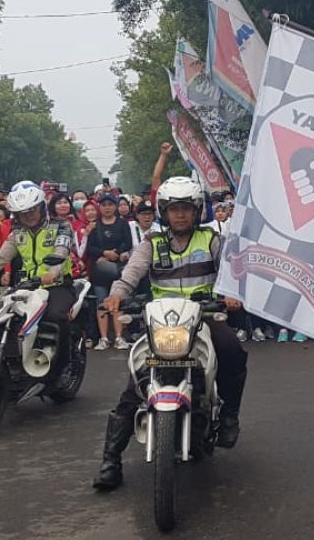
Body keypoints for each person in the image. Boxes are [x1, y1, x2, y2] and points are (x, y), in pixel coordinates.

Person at [93, 176, 249, 491]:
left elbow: (232, 271)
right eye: (174, 209)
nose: (180, 215)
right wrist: (116, 295)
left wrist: (232, 293)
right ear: (164, 211)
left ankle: (229, 415)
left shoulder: (211, 240)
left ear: (197, 211)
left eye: (186, 209)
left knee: (232, 350)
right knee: (132, 387)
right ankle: (111, 460)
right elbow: (131, 274)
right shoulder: (151, 242)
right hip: (160, 322)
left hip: (203, 318)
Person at [0, 182, 77, 363]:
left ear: (41, 207)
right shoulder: (17, 232)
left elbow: (61, 251)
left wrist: (52, 273)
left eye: (31, 210)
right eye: (22, 213)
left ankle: (63, 364)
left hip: (57, 285)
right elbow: (0, 257)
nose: (28, 216)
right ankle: (9, 361)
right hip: (26, 287)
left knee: (56, 318)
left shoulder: (62, 226)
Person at [87, 194, 133, 350]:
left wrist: (116, 253)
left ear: (115, 206)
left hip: (119, 267)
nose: (107, 207)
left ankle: (119, 337)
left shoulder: (122, 224)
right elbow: (90, 248)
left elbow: (128, 243)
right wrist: (104, 253)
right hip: (100, 269)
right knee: (101, 302)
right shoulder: (95, 225)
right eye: (104, 204)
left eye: (110, 204)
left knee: (116, 301)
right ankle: (104, 338)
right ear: (100, 207)